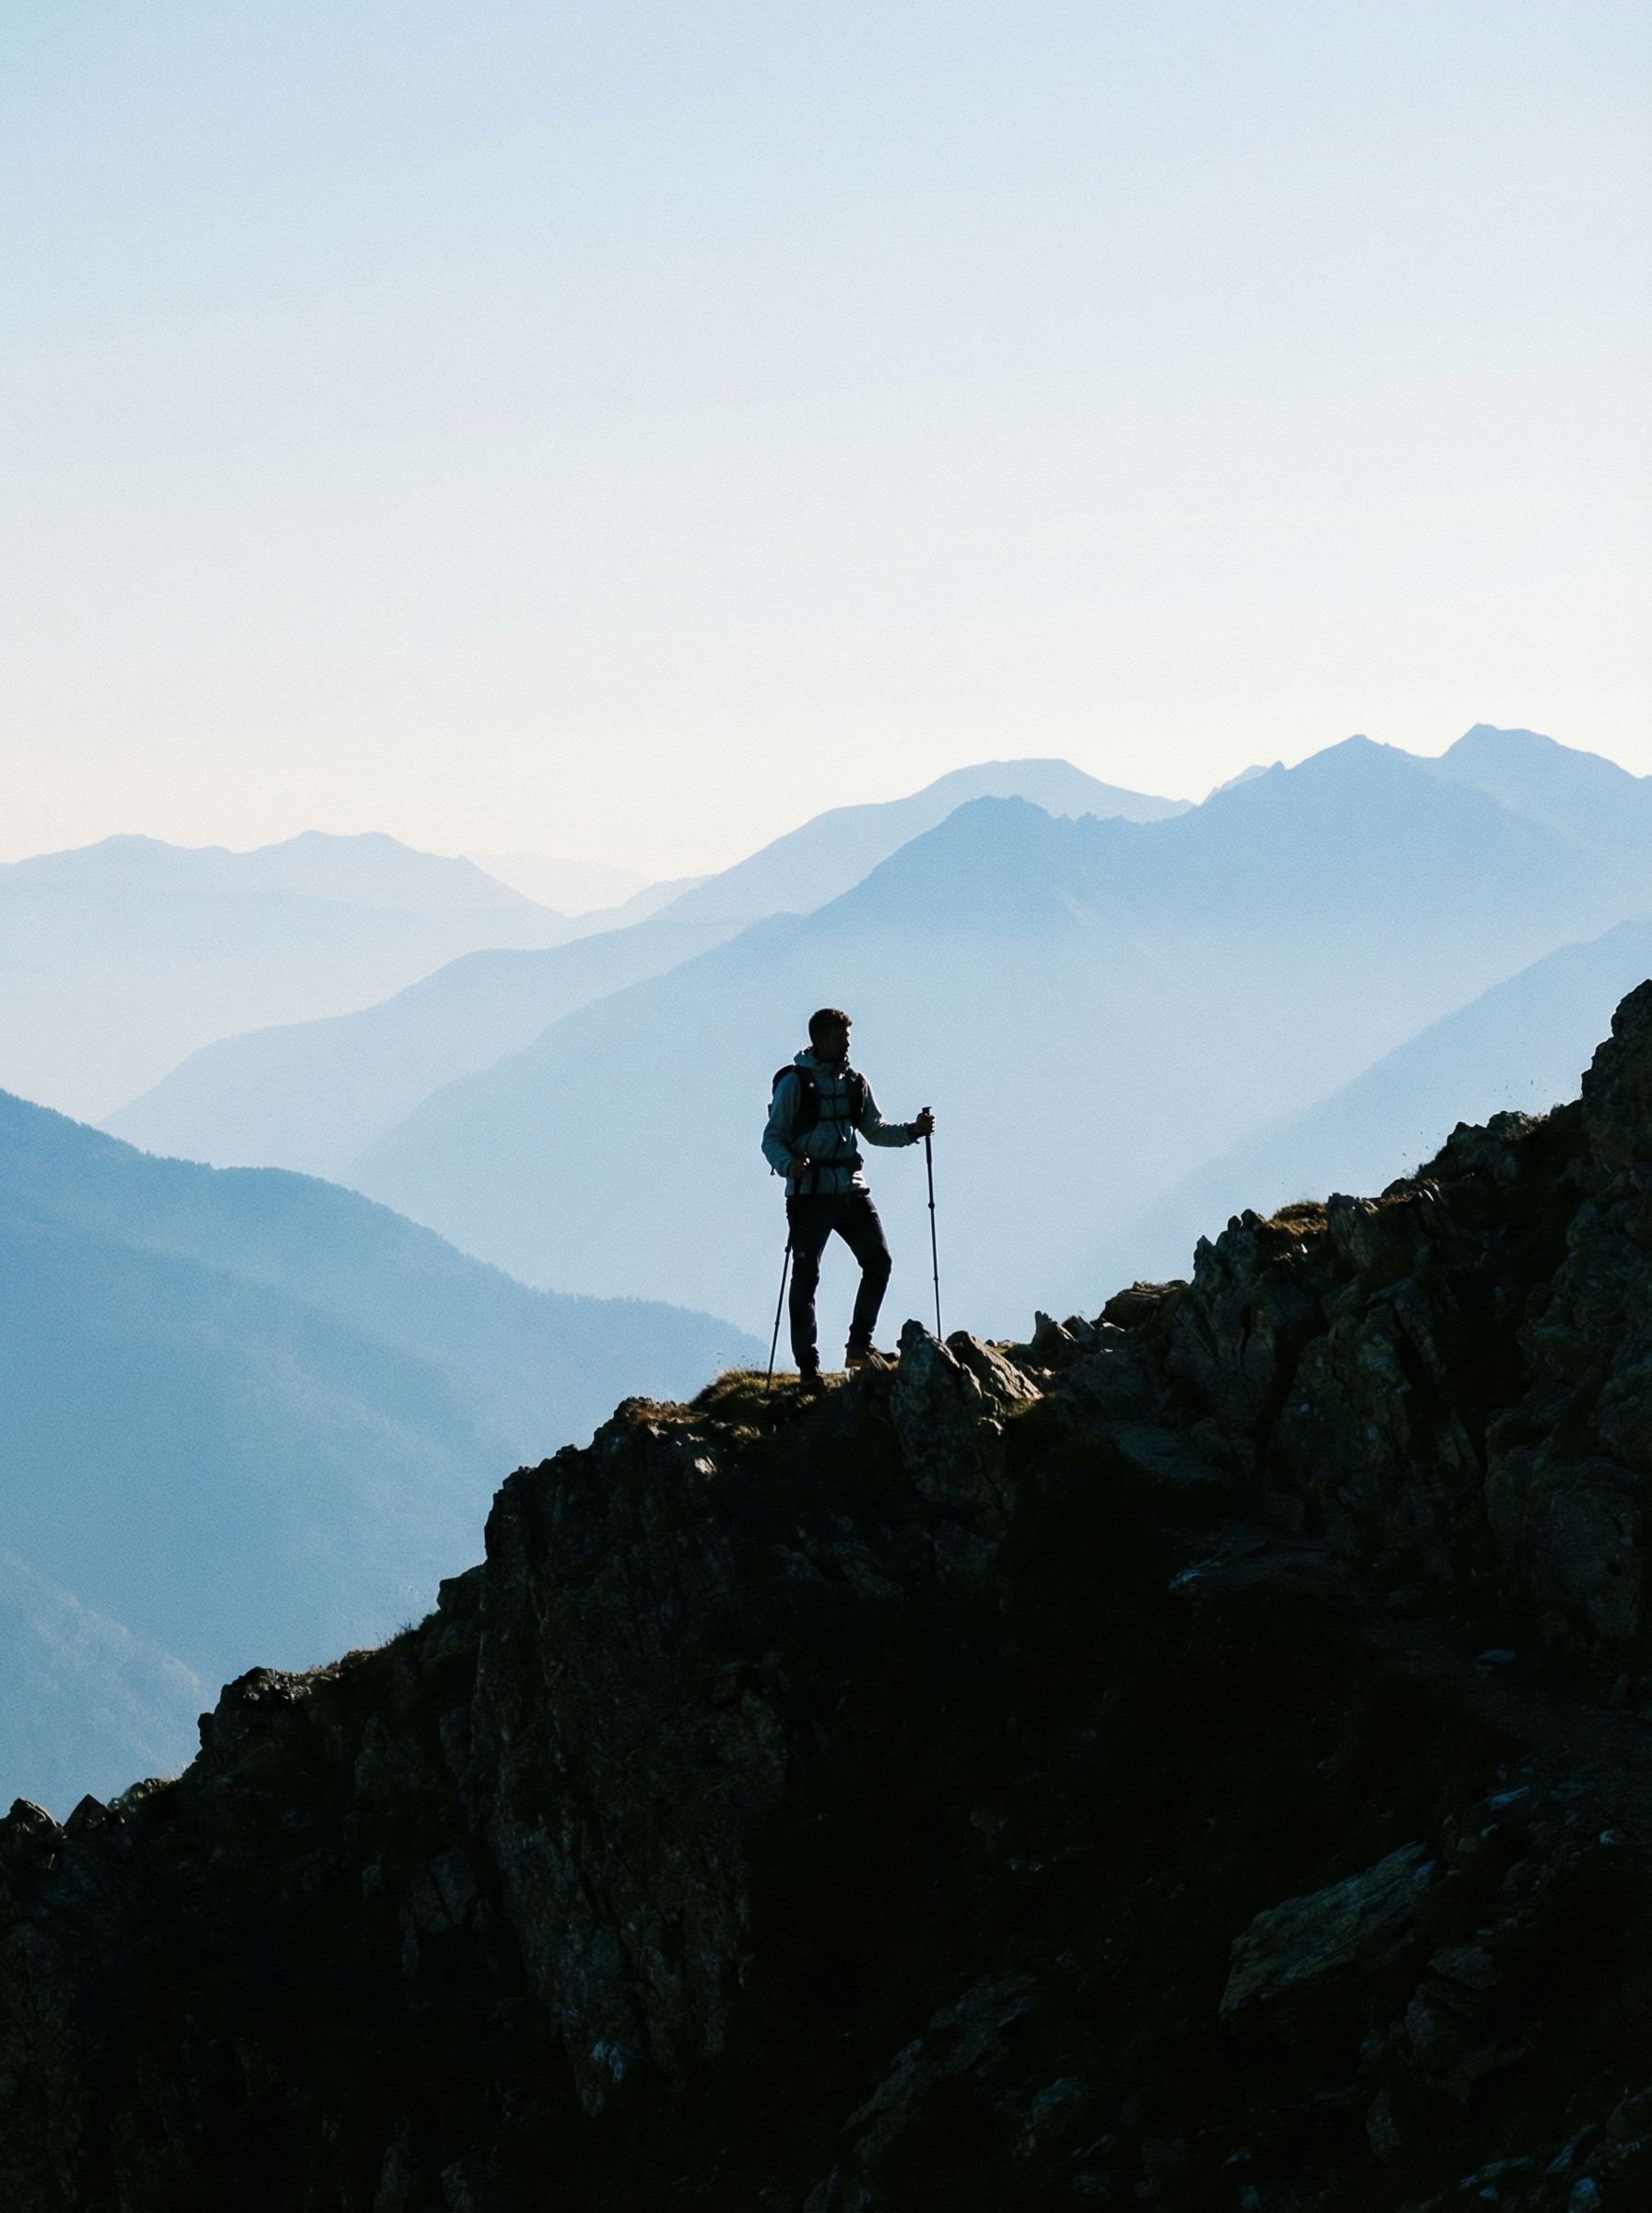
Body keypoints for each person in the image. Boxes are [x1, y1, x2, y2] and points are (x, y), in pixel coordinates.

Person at [761, 1007, 935, 1390]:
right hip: (809, 1193)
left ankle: (859, 1348)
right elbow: (772, 1137)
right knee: (807, 1278)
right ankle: (810, 1369)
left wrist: (913, 1131)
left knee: (879, 1262)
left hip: (850, 1189)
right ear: (819, 1039)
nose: (847, 1045)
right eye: (840, 1038)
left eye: (847, 1038)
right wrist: (789, 1165)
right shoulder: (796, 1083)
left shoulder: (855, 1081)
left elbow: (873, 1129)